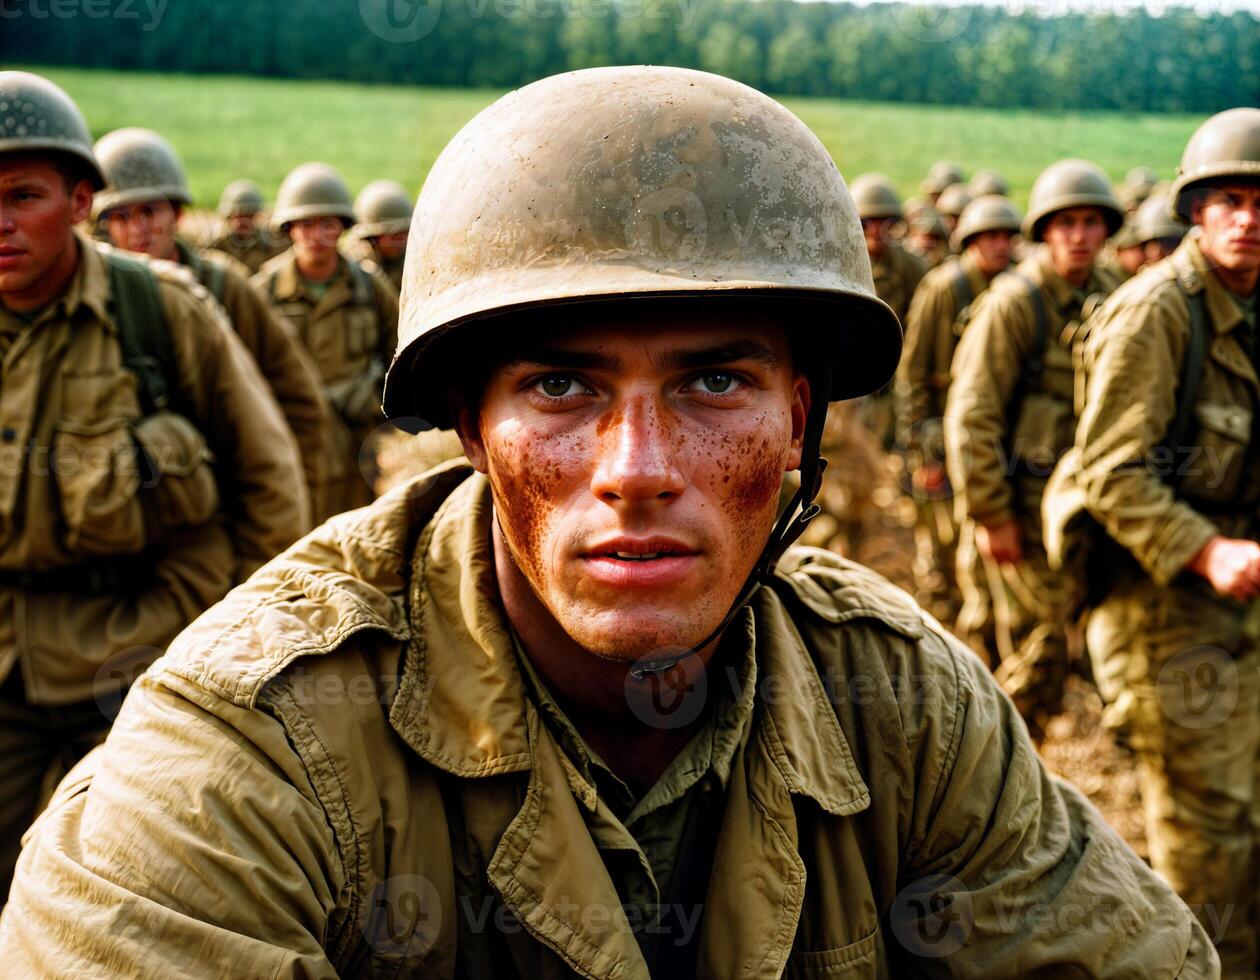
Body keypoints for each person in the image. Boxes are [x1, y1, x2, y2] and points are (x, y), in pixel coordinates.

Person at [0, 67, 1215, 978]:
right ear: (473, 429)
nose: (636, 470)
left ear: (799, 421)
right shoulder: (250, 753)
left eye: (714, 382)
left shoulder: (898, 703)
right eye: (561, 386)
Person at [0, 71, 307, 897]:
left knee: (128, 887)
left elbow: (270, 478)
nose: (0, 223)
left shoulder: (161, 311)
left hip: (146, 645)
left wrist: (252, 646)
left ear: (77, 200)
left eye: (22, 195)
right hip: (6, 661)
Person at [1045, 107, 1260, 976]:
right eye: (1229, 200)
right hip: (1160, 608)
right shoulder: (1155, 314)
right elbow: (1111, 473)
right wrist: (1208, 549)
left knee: (1243, 812)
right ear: (1195, 213)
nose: (1249, 218)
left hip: (1234, 606)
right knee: (1207, 832)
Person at [944, 159, 1122, 741]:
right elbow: (972, 416)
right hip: (1019, 505)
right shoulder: (1015, 304)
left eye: (1091, 221)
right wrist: (991, 514)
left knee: (1058, 634)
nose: (1078, 235)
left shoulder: (1113, 298)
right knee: (1031, 647)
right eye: (1065, 222)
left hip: (1082, 509)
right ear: (1045, 230)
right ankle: (1001, 757)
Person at [93, 127, 330, 516]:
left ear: (177, 214)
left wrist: (290, 510)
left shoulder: (224, 286)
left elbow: (299, 401)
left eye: (149, 212)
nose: (136, 229)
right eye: (120, 216)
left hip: (223, 505)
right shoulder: (95, 296)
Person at [896, 195, 1022, 636]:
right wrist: (918, 449)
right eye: (989, 236)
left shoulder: (1015, 289)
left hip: (988, 433)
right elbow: (912, 373)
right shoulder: (944, 287)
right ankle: (936, 610)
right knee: (939, 534)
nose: (1000, 246)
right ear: (970, 240)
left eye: (1007, 237)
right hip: (937, 428)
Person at [253, 162, 399, 519]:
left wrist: (372, 399)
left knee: (355, 527)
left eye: (327, 225)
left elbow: (399, 352)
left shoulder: (368, 287)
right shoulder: (262, 291)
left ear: (343, 229)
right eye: (305, 225)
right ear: (289, 230)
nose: (315, 236)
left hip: (357, 438)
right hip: (291, 436)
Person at [849, 173, 926, 450]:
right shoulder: (840, 263)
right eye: (866, 223)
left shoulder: (912, 268)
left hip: (895, 373)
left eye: (885, 222)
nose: (876, 232)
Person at [207, 178, 287, 273]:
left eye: (249, 216)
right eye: (238, 216)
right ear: (228, 217)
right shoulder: (217, 244)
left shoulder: (271, 243)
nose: (243, 222)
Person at [346, 179, 410, 293]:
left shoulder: (409, 257)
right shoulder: (357, 269)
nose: (401, 240)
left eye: (404, 233)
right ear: (371, 238)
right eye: (393, 235)